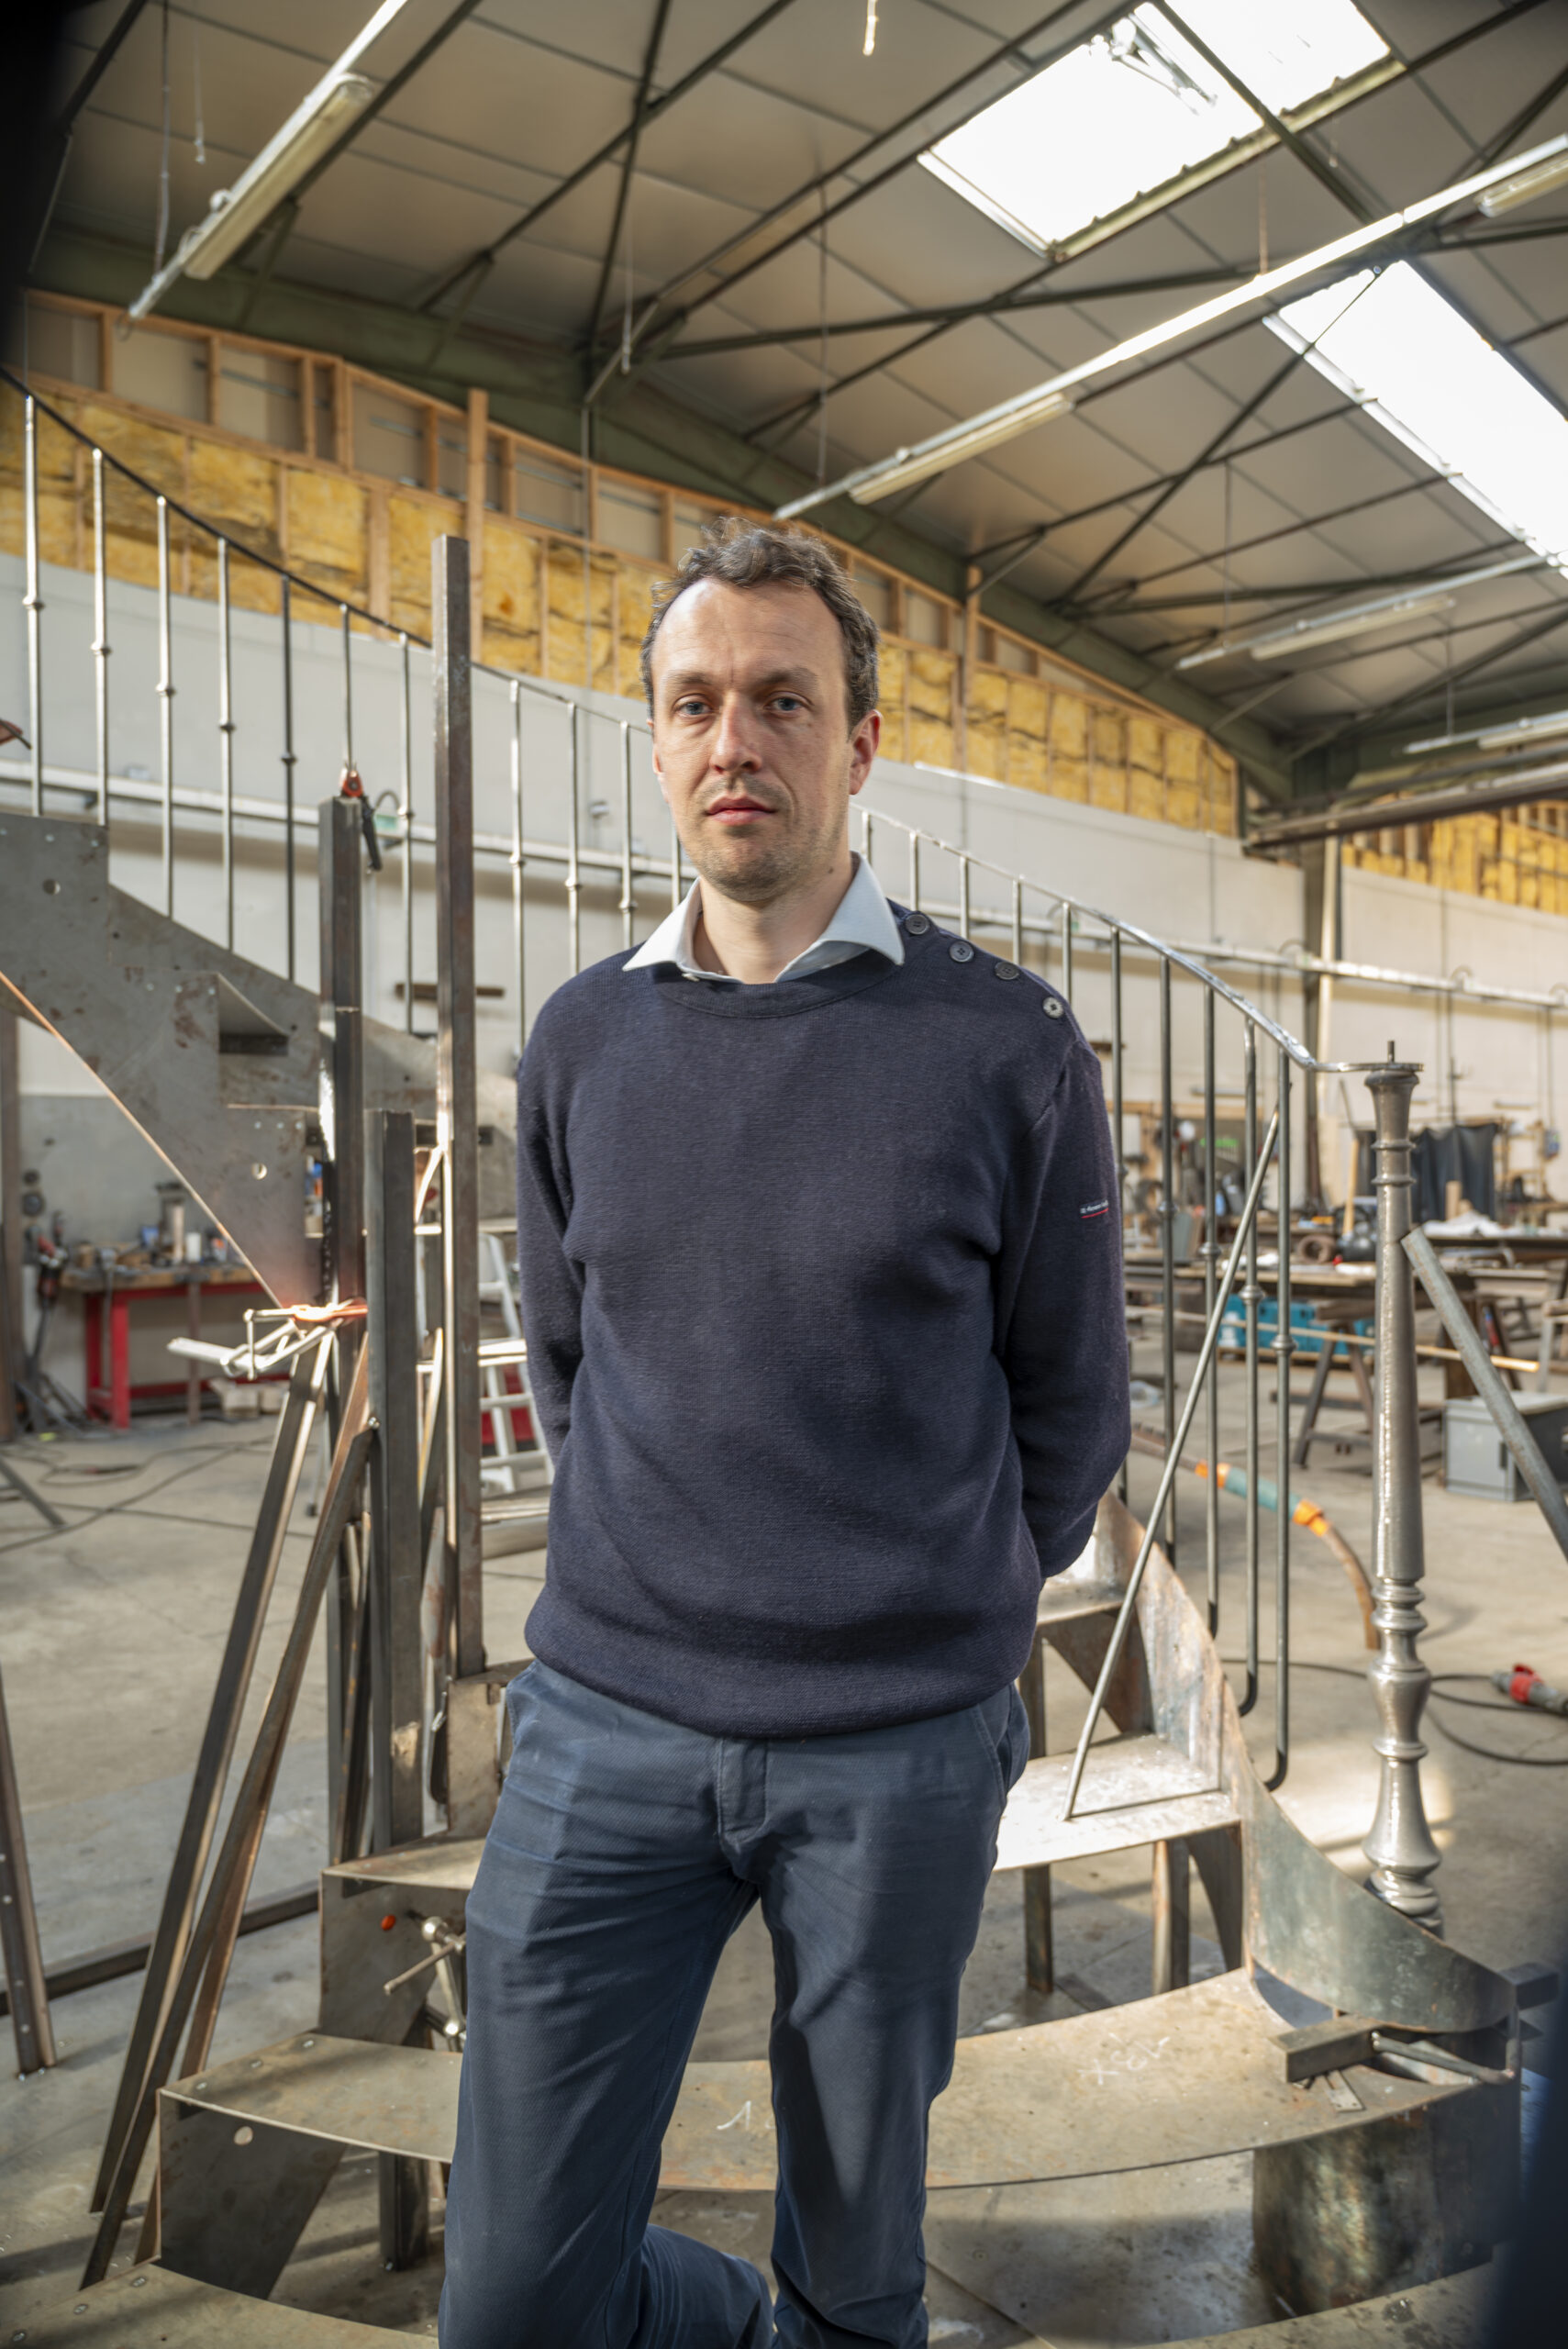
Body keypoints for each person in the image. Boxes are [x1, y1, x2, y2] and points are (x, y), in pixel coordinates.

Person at [440, 520, 1130, 2349]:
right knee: (512, 2300)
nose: (732, 738)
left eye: (779, 699)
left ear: (860, 742)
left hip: (896, 1752)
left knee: (862, 2264)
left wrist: (944, 1615)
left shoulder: (1010, 1045)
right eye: (694, 702)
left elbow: (1070, 1400)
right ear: (658, 742)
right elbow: (572, 1356)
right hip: (605, 1727)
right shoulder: (579, 1043)